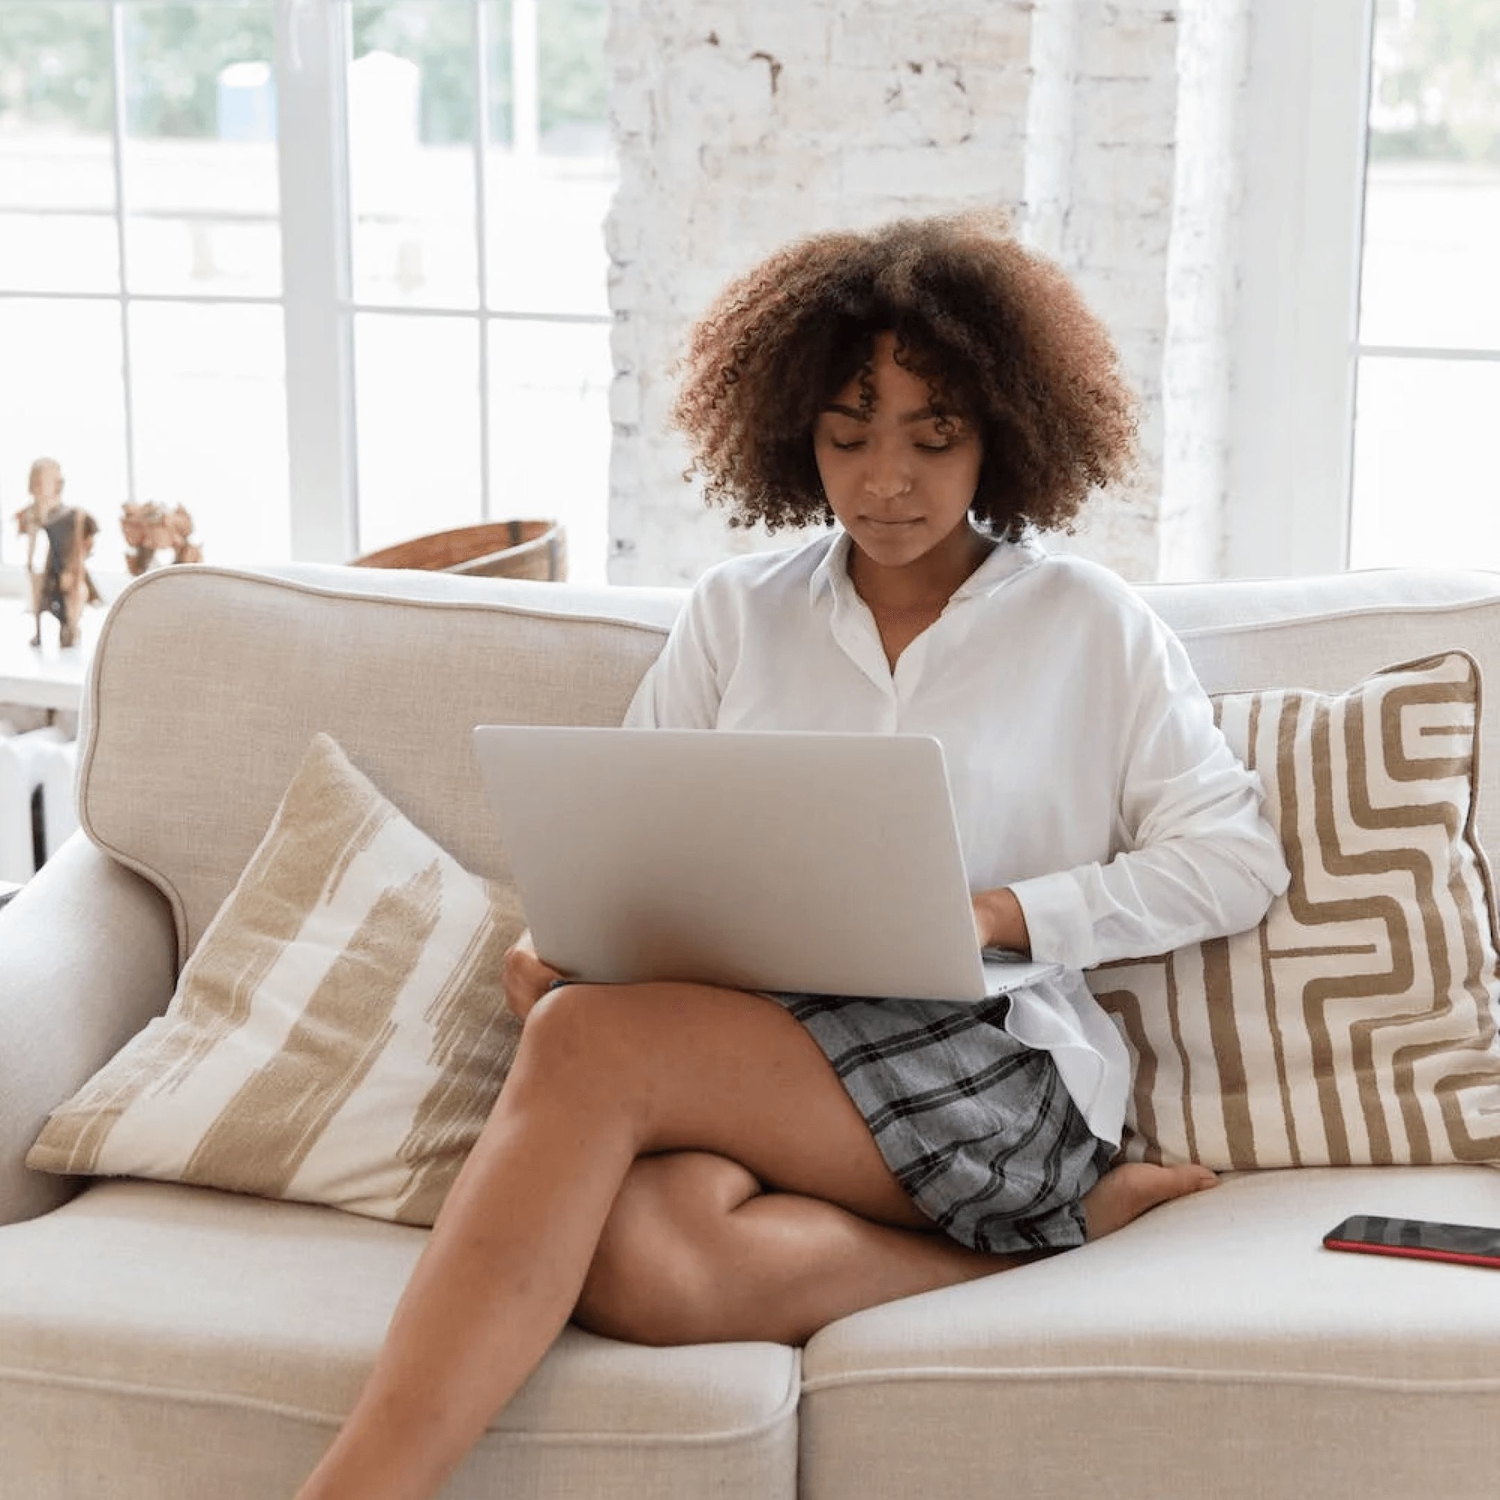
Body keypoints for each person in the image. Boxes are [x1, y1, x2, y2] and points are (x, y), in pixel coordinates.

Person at [292, 213, 1290, 1500]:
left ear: (1003, 434)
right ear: (789, 434)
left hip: (988, 1069)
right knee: (651, 1265)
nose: (888, 480)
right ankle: (1054, 1244)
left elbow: (1233, 858)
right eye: (847, 432)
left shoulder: (1090, 625)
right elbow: (629, 833)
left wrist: (1000, 911)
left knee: (589, 1045)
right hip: (754, 1061)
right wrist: (563, 940)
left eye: (935, 436)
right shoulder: (737, 614)